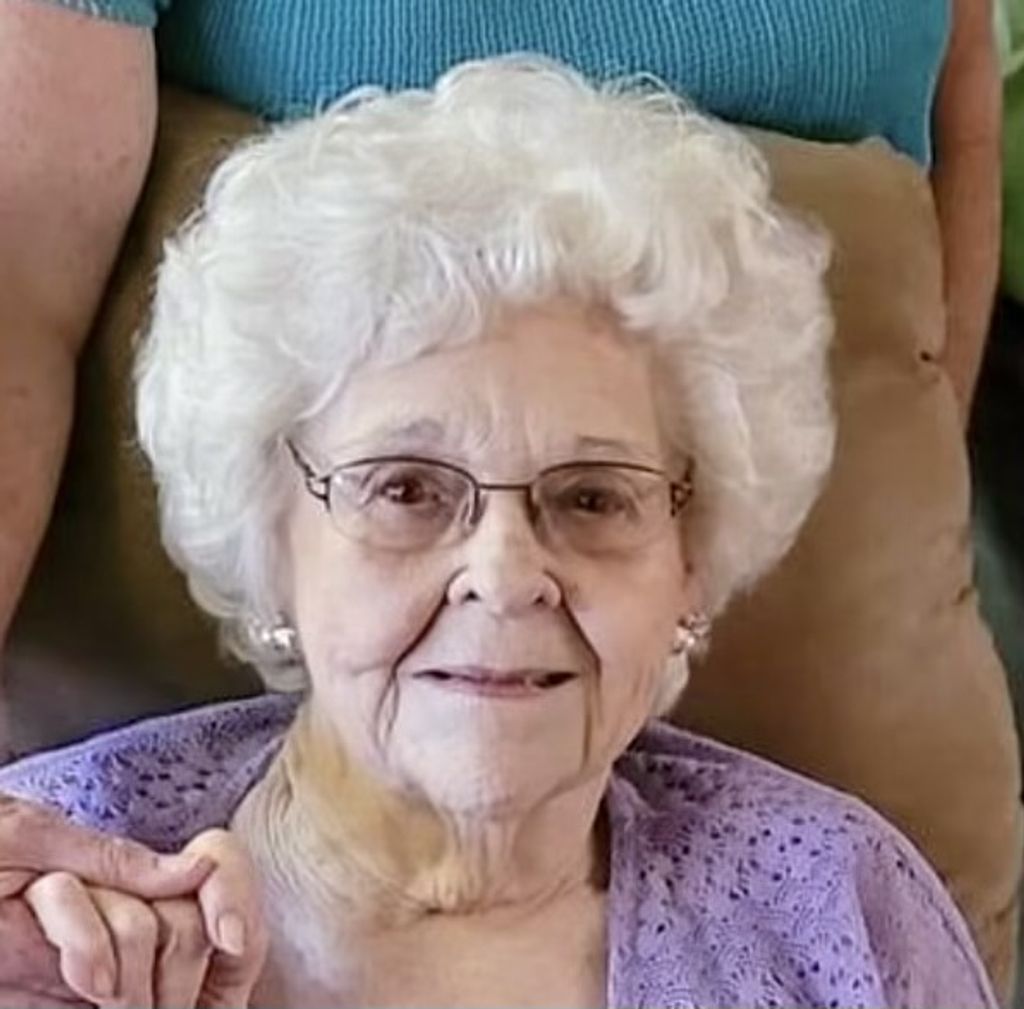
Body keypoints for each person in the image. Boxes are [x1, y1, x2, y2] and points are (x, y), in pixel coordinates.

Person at [0, 59, 998, 1008]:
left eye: (592, 498)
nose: (507, 573)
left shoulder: (835, 909)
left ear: (690, 564)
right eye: (407, 490)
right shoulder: (44, 899)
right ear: (272, 543)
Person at [0, 0, 1002, 758]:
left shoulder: (835, 882)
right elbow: (17, 293)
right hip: (244, 709)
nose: (507, 577)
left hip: (797, 641)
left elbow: (956, 136)